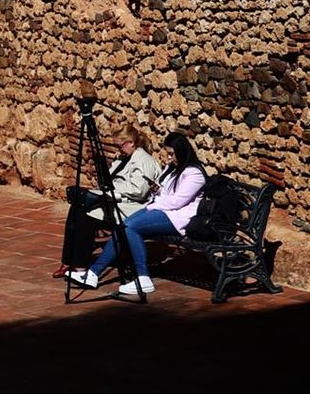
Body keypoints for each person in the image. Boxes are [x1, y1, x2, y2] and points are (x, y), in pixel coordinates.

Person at [68, 130, 206, 298]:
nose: (169, 158)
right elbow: (166, 193)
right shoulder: (173, 169)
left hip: (178, 217)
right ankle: (93, 274)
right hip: (162, 209)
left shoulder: (194, 173)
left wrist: (151, 206)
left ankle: (142, 278)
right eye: (168, 154)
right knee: (123, 227)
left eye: (172, 154)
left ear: (182, 151)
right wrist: (157, 191)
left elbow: (177, 201)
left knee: (129, 227)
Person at [53, 125, 162, 276]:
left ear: (131, 142)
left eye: (120, 145)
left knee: (85, 214)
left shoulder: (144, 161)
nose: (118, 149)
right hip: (117, 200)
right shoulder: (124, 159)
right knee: (77, 207)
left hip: (133, 206)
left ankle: (79, 265)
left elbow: (139, 191)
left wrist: (111, 191)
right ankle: (68, 260)